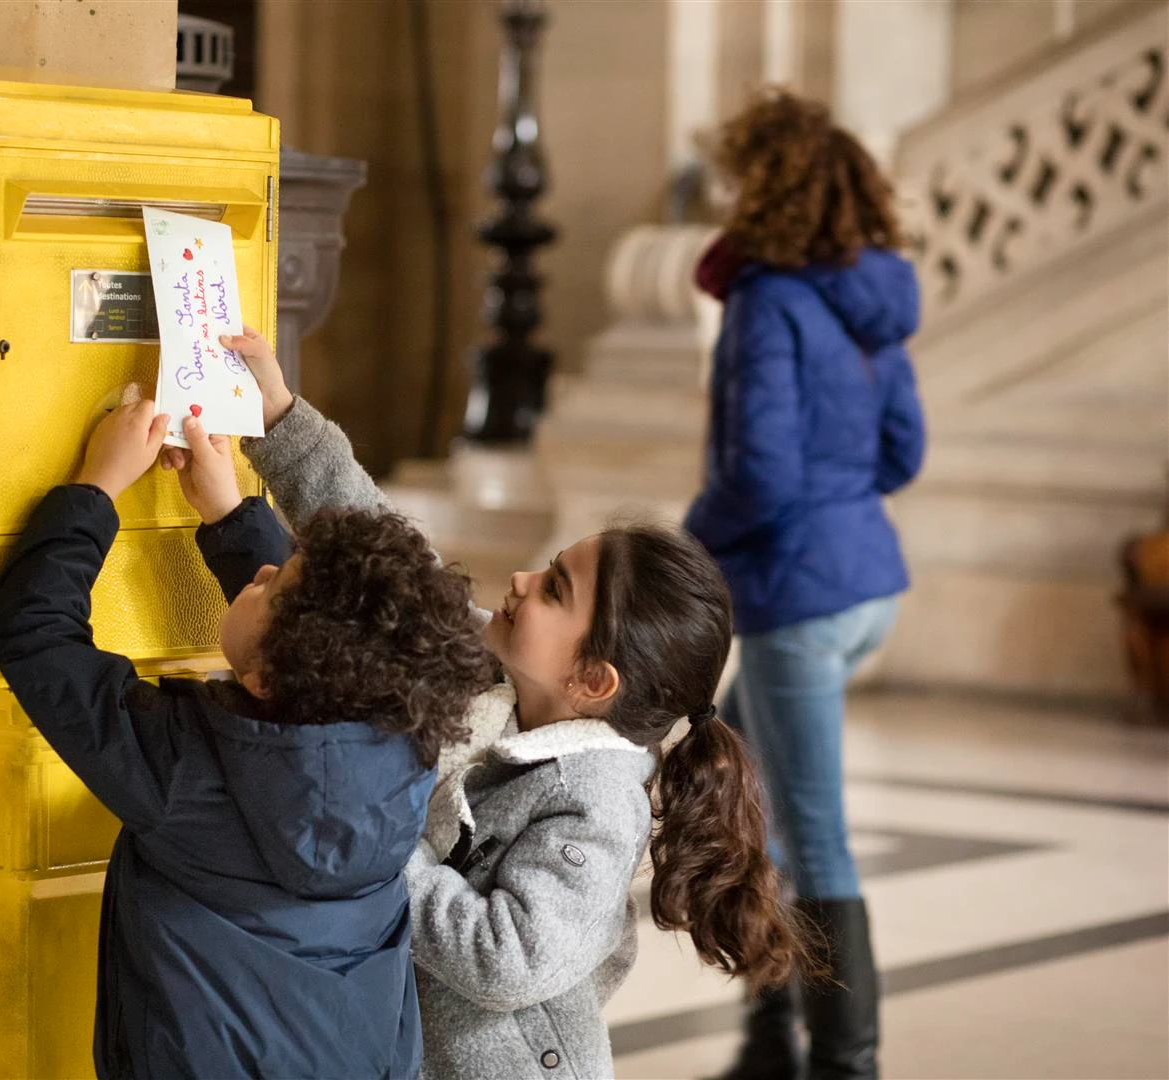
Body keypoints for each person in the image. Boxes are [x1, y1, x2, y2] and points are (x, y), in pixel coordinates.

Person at [192, 330, 807, 1079]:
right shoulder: (490, 671)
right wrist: (278, 416)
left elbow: (506, 957)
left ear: (594, 680)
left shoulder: (598, 803)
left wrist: (373, 837)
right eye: (548, 567)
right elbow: (383, 551)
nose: (520, 580)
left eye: (554, 589)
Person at [0, 396, 495, 1078]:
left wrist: (96, 486)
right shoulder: (403, 755)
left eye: (273, 584)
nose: (262, 571)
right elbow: (326, 647)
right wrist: (229, 516)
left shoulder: (184, 769)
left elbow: (35, 635)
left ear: (270, 677)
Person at [685, 89, 928, 1080]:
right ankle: (767, 1037)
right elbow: (902, 451)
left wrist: (686, 547)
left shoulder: (768, 298)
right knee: (752, 809)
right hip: (867, 585)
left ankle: (843, 1062)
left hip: (801, 601)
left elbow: (762, 473)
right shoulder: (870, 300)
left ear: (762, 186)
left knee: (814, 839)